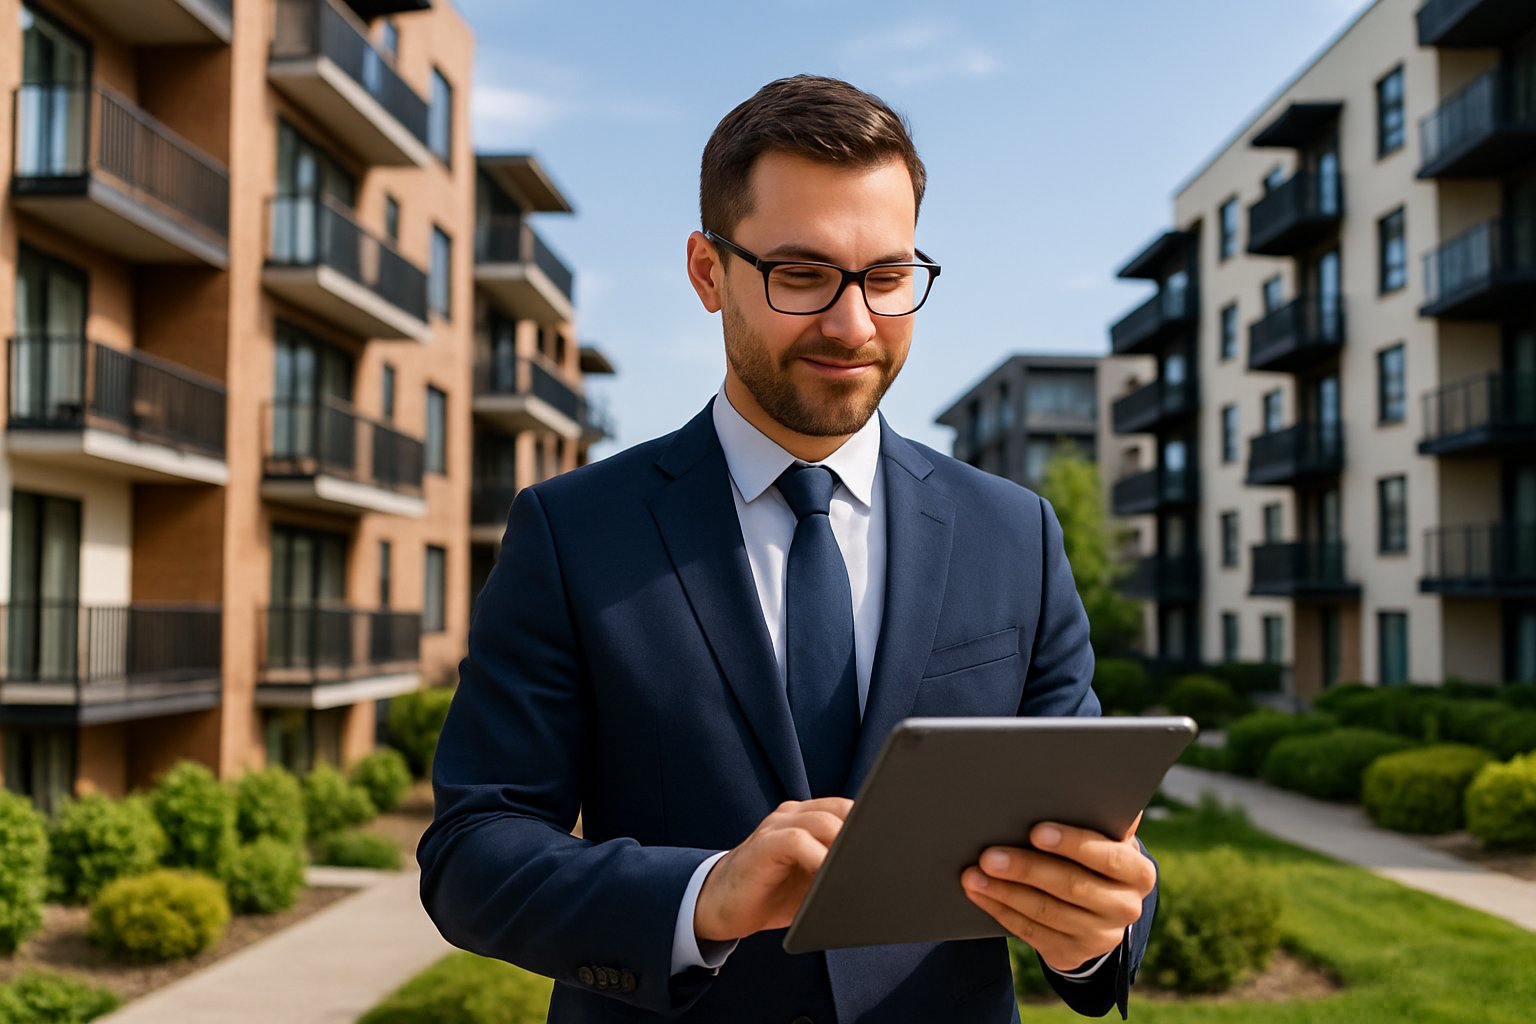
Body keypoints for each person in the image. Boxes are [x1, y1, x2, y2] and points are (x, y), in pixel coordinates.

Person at [418, 74, 1157, 1024]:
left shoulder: (1015, 532)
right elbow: (475, 849)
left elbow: (1095, 835)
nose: (853, 326)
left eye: (887, 278)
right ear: (707, 271)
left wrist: (1098, 929)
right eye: (802, 275)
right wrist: (703, 896)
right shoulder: (571, 531)